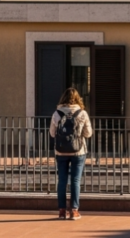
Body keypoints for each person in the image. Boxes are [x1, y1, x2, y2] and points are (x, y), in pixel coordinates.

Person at [49, 88, 93, 220]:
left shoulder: (56, 113)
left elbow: (52, 133)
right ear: (78, 99)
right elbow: (88, 133)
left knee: (62, 180)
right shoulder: (82, 113)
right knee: (75, 180)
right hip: (78, 151)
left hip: (61, 151)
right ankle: (74, 211)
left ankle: (62, 211)